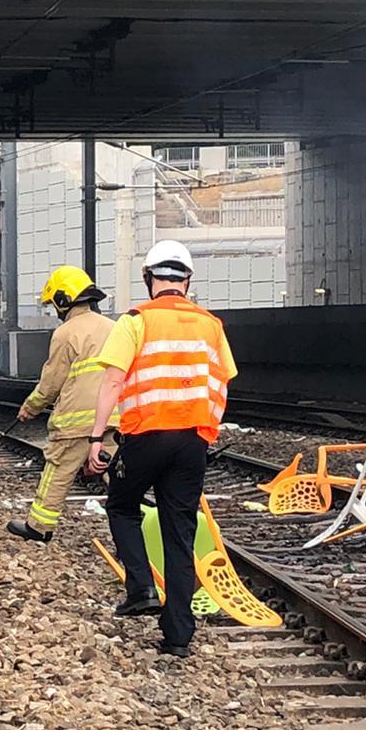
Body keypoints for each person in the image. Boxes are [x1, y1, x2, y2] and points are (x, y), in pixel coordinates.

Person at [85, 240, 236, 658]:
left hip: (145, 436)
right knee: (179, 531)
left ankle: (140, 589)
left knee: (121, 505)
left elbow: (113, 382)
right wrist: (207, 431)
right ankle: (178, 635)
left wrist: (97, 439)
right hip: (191, 441)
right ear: (187, 281)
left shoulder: (134, 321)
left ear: (149, 278)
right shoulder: (211, 325)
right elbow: (222, 381)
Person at [5, 265, 119, 543]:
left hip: (75, 423)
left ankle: (39, 527)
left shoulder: (66, 333)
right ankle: (130, 537)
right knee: (119, 478)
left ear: (64, 299)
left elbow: (52, 382)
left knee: (57, 471)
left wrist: (31, 407)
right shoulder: (115, 328)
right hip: (113, 418)